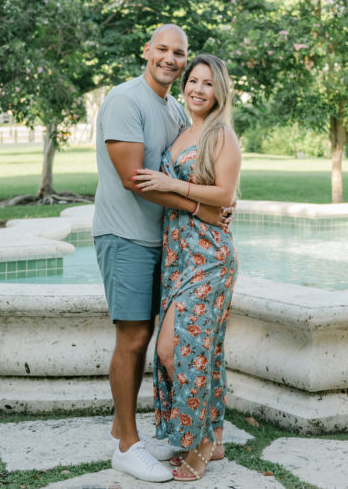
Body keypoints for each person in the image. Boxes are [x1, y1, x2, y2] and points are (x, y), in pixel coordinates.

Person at [93, 25, 227, 483]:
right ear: (146, 51)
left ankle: (125, 427)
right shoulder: (124, 101)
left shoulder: (173, 109)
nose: (171, 59)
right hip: (127, 237)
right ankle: (128, 447)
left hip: (169, 248)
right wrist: (198, 207)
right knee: (132, 339)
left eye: (179, 54)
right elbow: (137, 179)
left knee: (155, 341)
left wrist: (213, 200)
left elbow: (200, 168)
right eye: (163, 50)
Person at [132, 54, 241, 482]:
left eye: (207, 84)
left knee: (172, 350)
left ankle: (200, 442)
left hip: (209, 258)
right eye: (193, 81)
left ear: (219, 91)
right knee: (199, 352)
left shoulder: (221, 135)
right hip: (178, 257)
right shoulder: (181, 131)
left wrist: (172, 184)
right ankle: (212, 433)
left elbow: (225, 193)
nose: (197, 89)